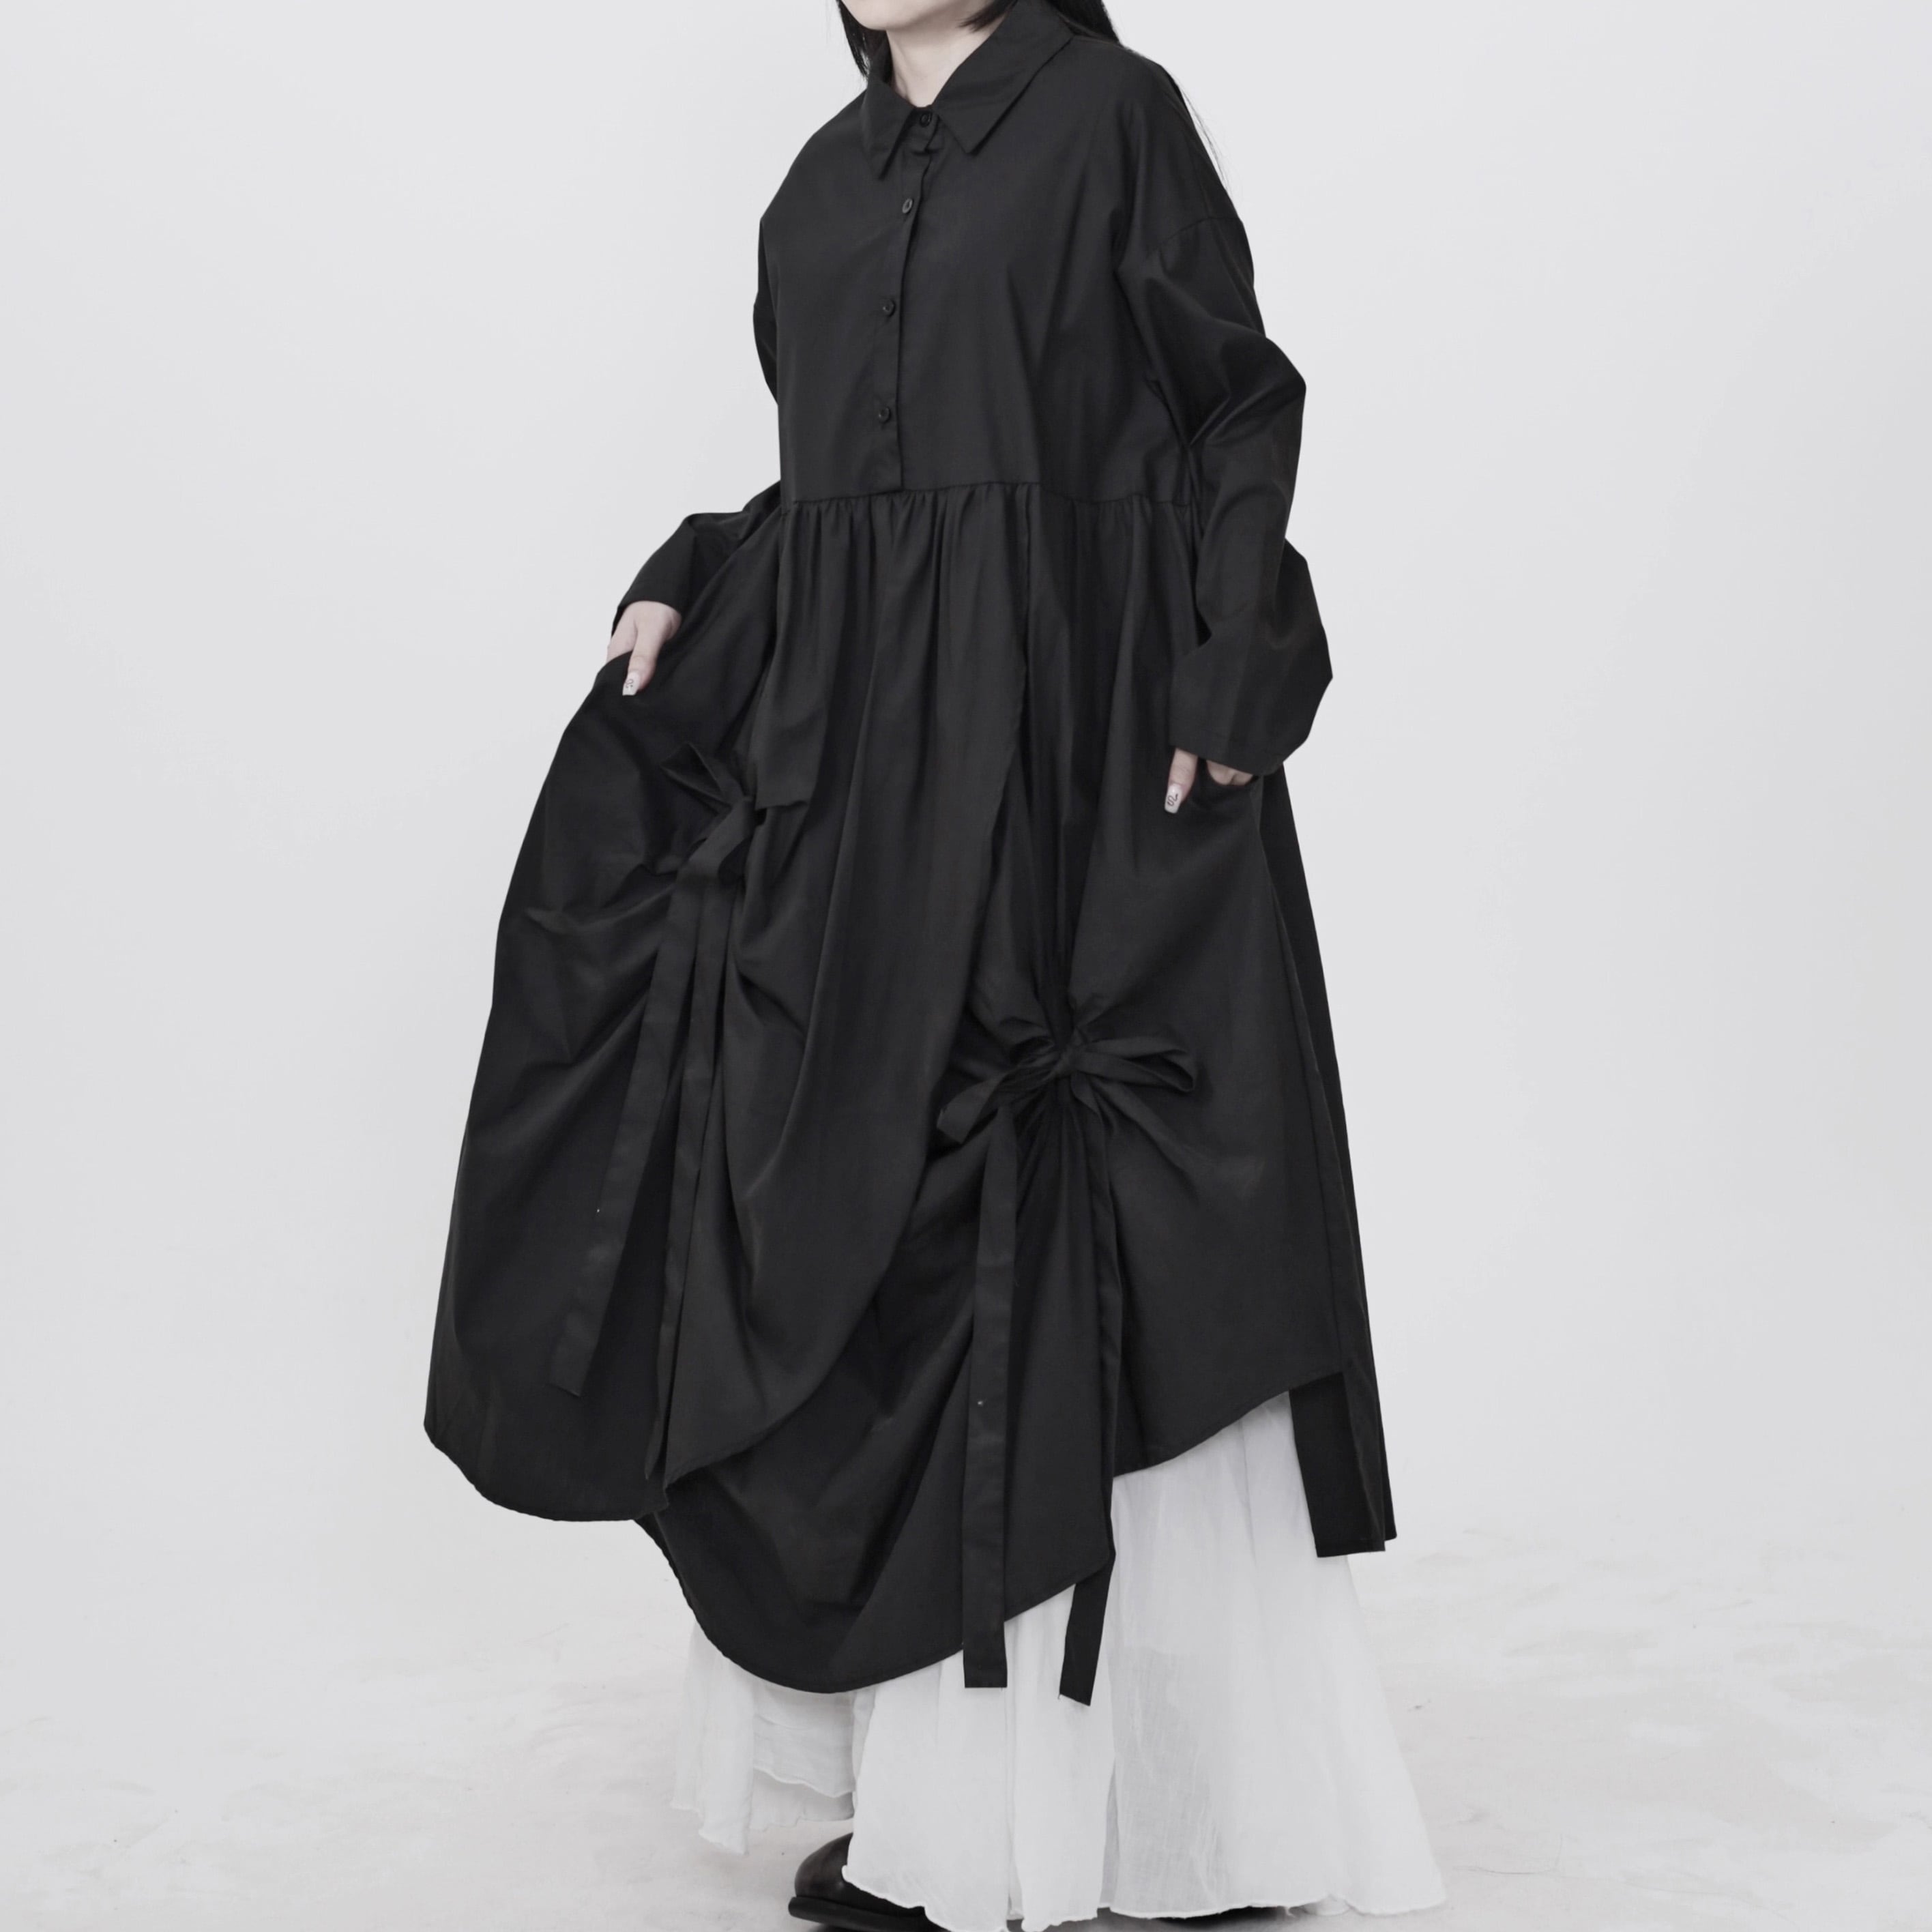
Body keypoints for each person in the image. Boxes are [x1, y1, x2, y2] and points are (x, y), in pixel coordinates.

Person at [425, 1, 1447, 1924]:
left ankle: (1145, 1825)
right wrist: (695, 572)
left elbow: (1236, 406)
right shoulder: (819, 186)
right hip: (870, 786)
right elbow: (847, 490)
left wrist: (1233, 667)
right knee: (867, 1219)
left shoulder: (1111, 116)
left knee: (1073, 1226)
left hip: (1081, 756)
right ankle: (948, 1804)